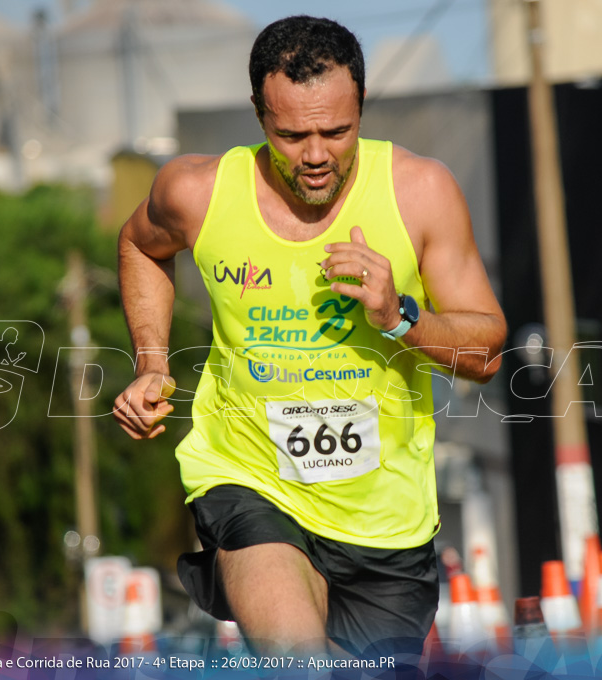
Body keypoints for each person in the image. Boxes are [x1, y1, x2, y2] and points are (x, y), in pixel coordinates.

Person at [113, 15, 506, 658]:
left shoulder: (420, 193)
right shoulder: (198, 191)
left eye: (337, 131)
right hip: (249, 480)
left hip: (384, 516)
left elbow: (487, 353)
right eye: (292, 135)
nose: (316, 154)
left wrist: (400, 315)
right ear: (258, 115)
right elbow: (139, 243)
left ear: (361, 106)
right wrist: (151, 360)